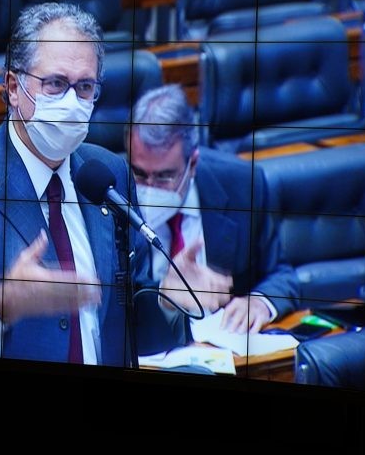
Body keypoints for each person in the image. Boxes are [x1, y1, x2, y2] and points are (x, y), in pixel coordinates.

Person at [0, 2, 200, 365]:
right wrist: (3, 303)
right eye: (55, 84)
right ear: (14, 87)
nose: (71, 102)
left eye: (84, 87)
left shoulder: (107, 173)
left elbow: (129, 330)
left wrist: (169, 303)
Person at [126, 84, 300, 335]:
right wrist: (164, 297)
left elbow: (282, 276)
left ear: (192, 164)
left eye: (165, 176)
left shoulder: (242, 184)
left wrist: (260, 302)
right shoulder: (111, 194)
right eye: (140, 174)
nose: (150, 187)